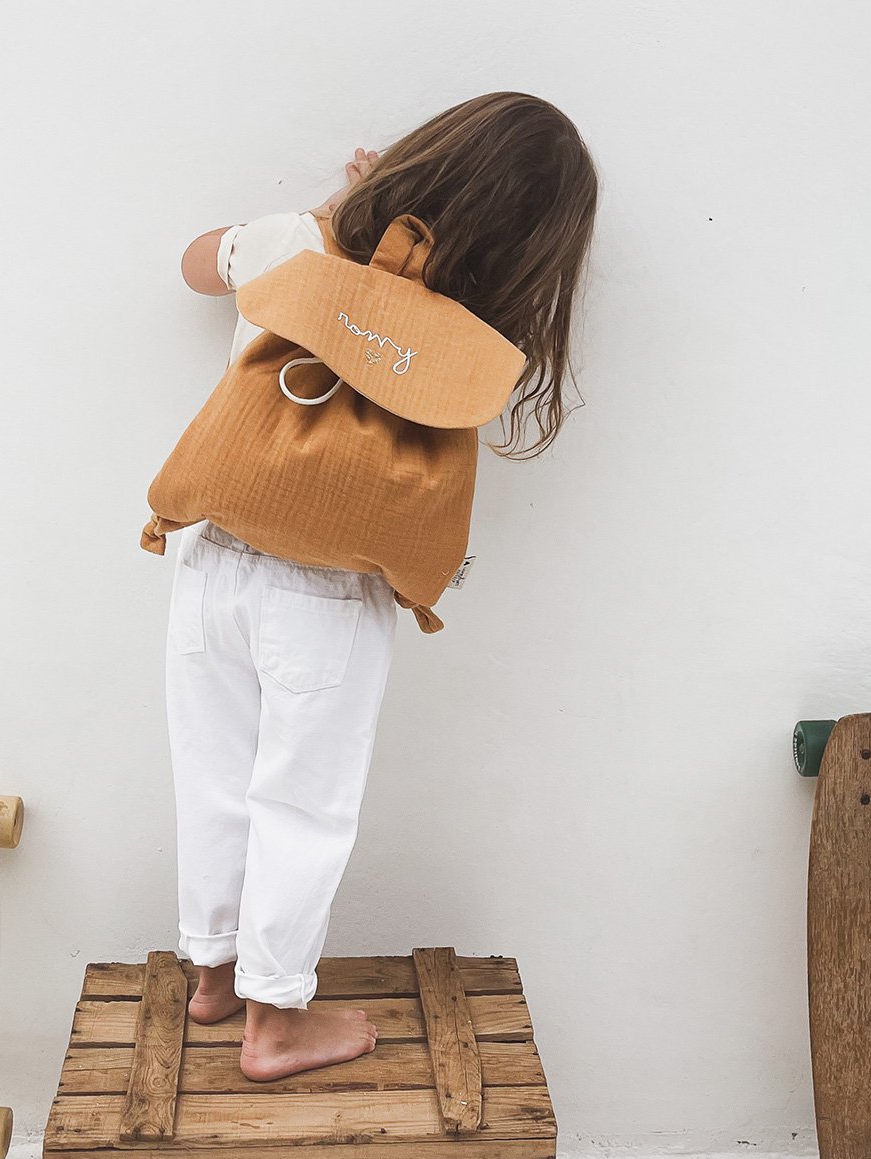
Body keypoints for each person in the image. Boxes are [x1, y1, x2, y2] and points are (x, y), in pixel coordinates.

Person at [166, 91, 599, 1082]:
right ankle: (275, 1025)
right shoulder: (472, 342)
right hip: (327, 595)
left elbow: (195, 260)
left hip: (210, 555)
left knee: (215, 774)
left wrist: (335, 213)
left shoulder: (295, 246)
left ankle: (214, 973)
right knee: (303, 803)